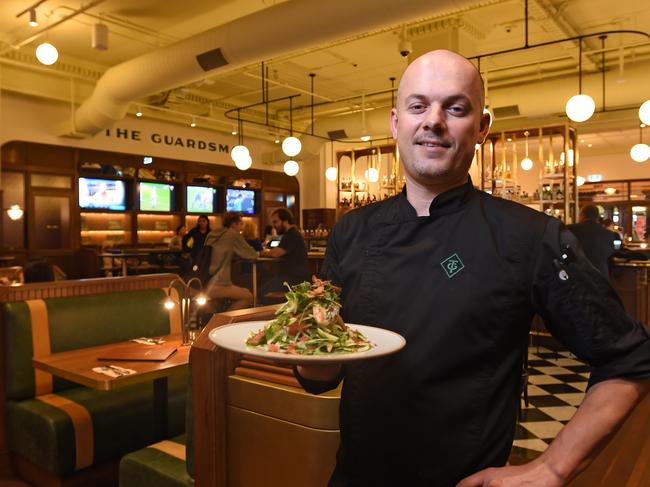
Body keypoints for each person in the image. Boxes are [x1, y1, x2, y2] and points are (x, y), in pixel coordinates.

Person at [295, 50, 650, 487]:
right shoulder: (351, 231)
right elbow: (325, 371)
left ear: (482, 127)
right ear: (395, 122)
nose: (434, 120)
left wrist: (552, 467)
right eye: (418, 105)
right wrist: (311, 360)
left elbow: (629, 357)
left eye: (456, 108)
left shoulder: (530, 236)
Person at [203, 212, 259, 310]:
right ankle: (225, 321)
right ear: (234, 224)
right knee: (249, 297)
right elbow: (251, 254)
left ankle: (219, 317)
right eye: (241, 224)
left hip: (204, 281)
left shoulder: (212, 234)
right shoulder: (233, 234)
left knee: (243, 291)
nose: (242, 228)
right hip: (219, 283)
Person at [259, 208, 310, 300]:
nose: (273, 226)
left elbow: (276, 253)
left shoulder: (292, 234)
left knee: (262, 293)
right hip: (290, 277)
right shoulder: (290, 234)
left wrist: (261, 253)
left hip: (294, 279)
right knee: (263, 287)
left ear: (285, 221)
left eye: (275, 222)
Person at [567, 205, 619, 279]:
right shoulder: (609, 234)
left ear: (582, 215)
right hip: (601, 277)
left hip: (578, 276)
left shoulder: (570, 229)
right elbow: (612, 252)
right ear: (597, 217)